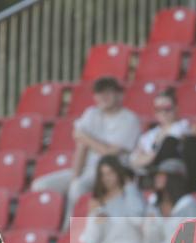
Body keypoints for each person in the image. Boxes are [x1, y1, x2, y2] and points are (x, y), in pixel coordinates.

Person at [31, 77, 141, 223]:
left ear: (119, 95)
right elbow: (81, 146)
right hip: (85, 169)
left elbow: (110, 154)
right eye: (99, 94)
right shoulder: (91, 113)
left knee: (77, 187)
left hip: (111, 173)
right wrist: (75, 174)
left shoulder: (129, 119)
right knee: (40, 186)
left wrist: (87, 138)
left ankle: (70, 231)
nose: (103, 98)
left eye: (108, 93)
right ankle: (45, 228)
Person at [68, 155, 146, 243]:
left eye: (110, 173)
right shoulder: (98, 202)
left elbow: (137, 218)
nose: (107, 178)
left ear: (118, 173)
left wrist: (129, 186)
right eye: (103, 174)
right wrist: (96, 220)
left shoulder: (131, 195)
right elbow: (91, 241)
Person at [123, 159, 196, 243]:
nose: (157, 178)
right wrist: (150, 225)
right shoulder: (155, 205)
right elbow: (151, 241)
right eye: (157, 175)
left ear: (175, 179)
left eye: (162, 175)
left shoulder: (189, 205)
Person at [130, 88, 191, 176]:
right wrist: (152, 157)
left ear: (176, 108)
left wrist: (148, 158)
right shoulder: (150, 134)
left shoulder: (184, 126)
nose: (163, 112)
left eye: (167, 108)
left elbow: (170, 149)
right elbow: (133, 160)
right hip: (149, 174)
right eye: (158, 109)